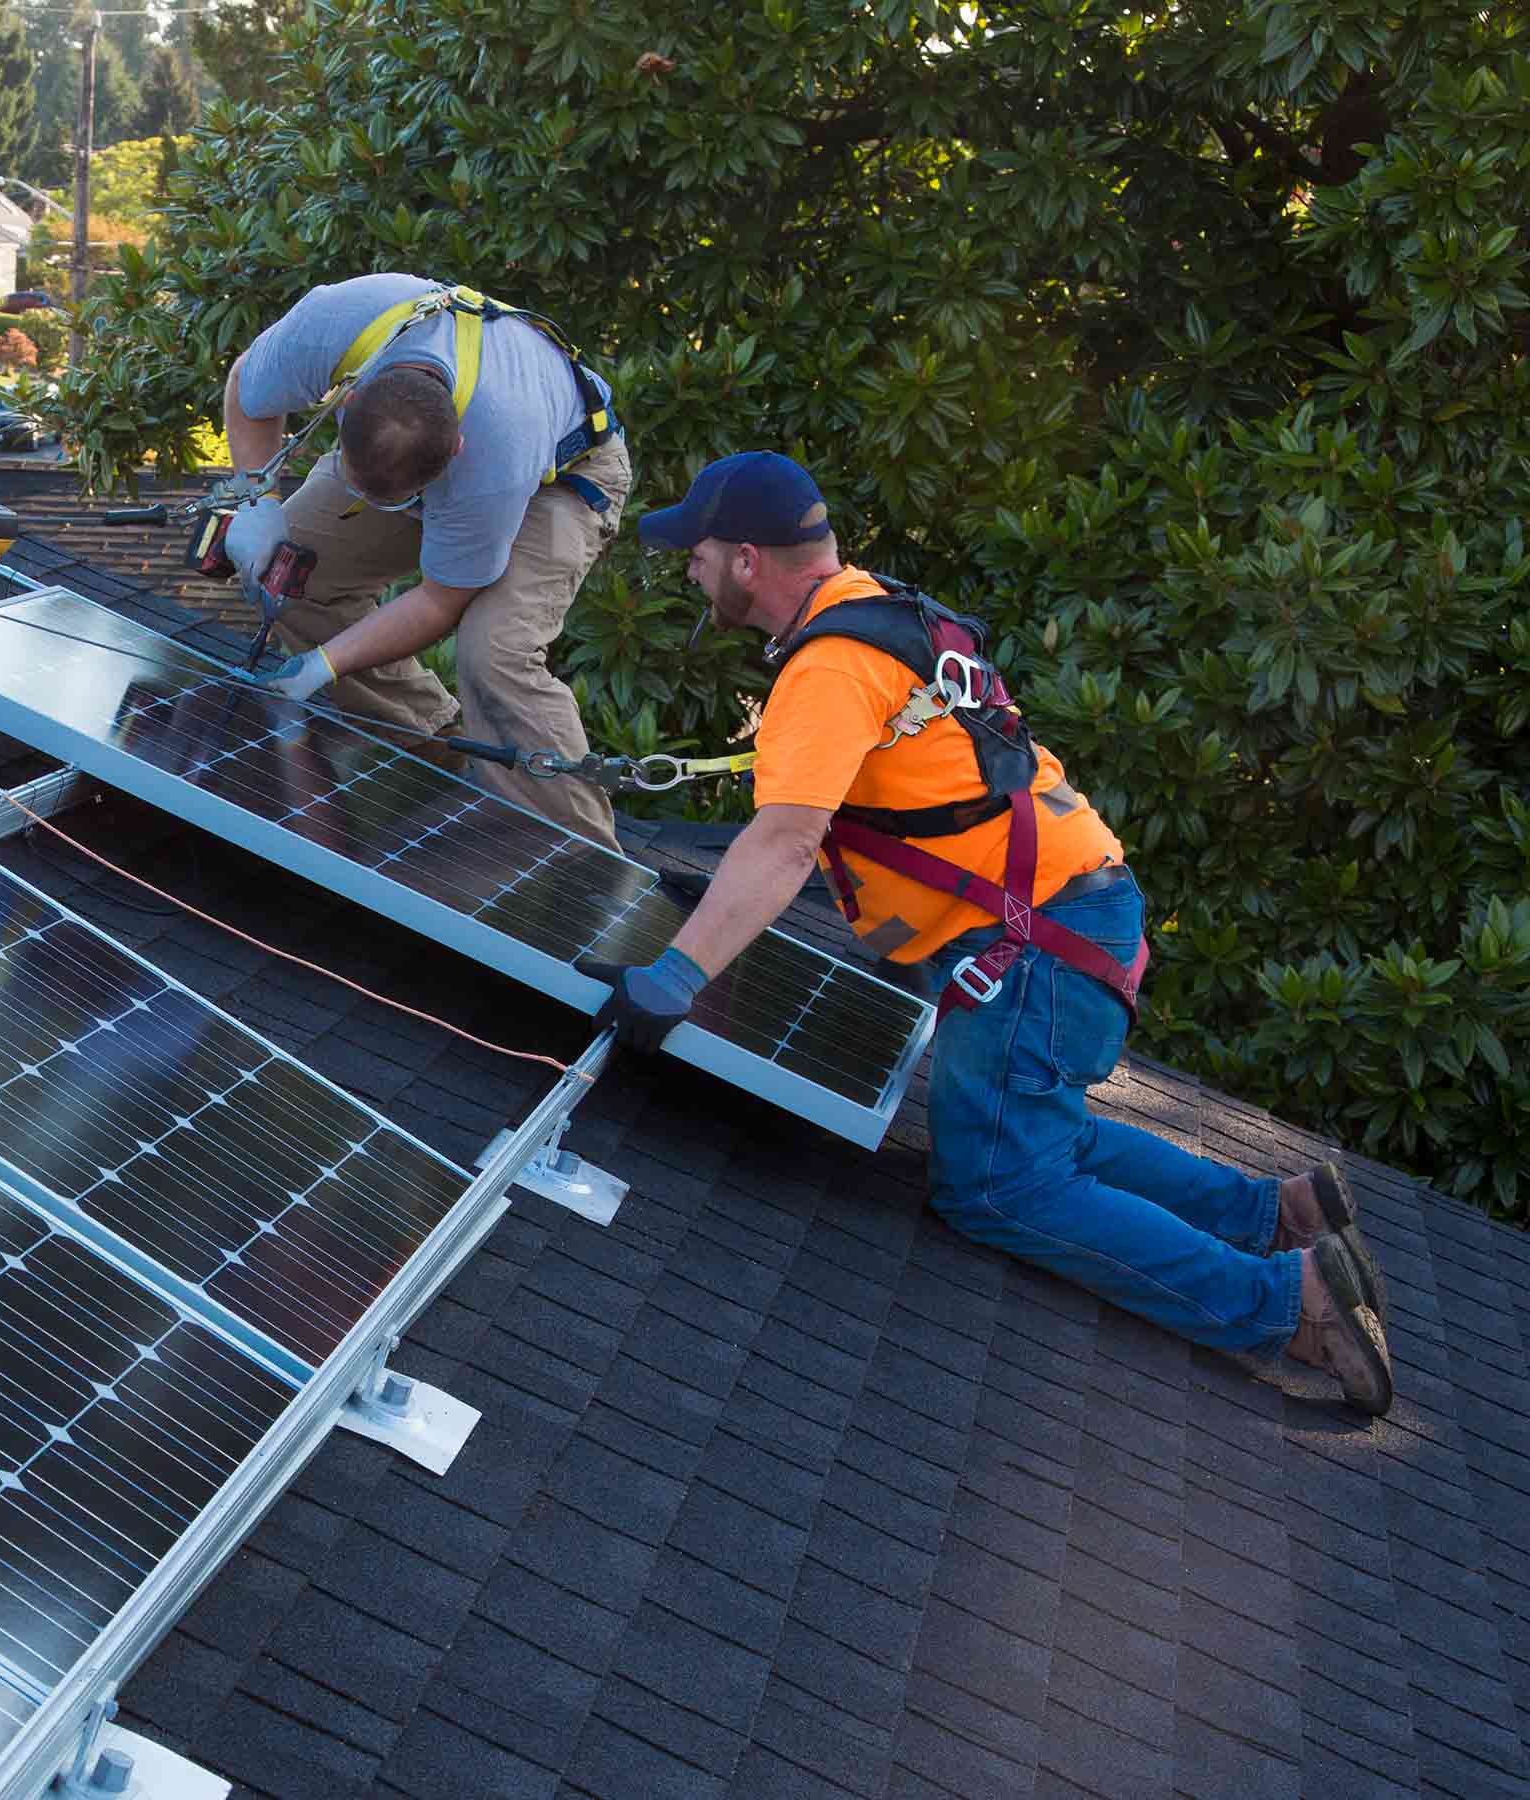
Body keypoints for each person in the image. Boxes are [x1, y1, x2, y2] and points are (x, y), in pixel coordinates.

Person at [578, 451, 1396, 1416]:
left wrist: (676, 976)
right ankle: (1276, 1214)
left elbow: (790, 839)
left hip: (1034, 946)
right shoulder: (880, 609)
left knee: (1000, 1185)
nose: (690, 569)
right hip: (1069, 913)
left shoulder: (829, 668)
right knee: (1036, 1127)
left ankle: (1285, 1304)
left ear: (747, 559)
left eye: (699, 552)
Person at [219, 273, 629, 847]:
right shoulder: (331, 324)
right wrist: (255, 499)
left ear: (453, 453)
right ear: (355, 397)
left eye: (388, 503)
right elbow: (246, 386)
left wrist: (325, 664)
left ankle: (580, 862)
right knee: (296, 571)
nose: (367, 508)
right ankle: (433, 750)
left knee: (495, 653)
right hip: (426, 446)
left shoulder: (493, 458)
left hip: (562, 478)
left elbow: (441, 600)